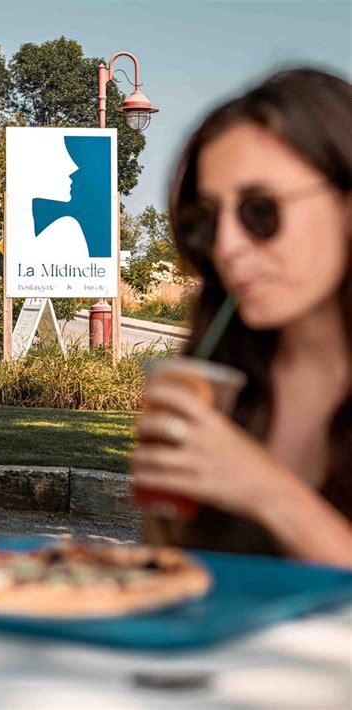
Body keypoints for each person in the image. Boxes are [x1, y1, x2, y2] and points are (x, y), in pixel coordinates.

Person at [132, 67, 351, 567]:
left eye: (259, 211)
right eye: (206, 220)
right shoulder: (226, 372)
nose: (228, 247)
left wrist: (269, 493)